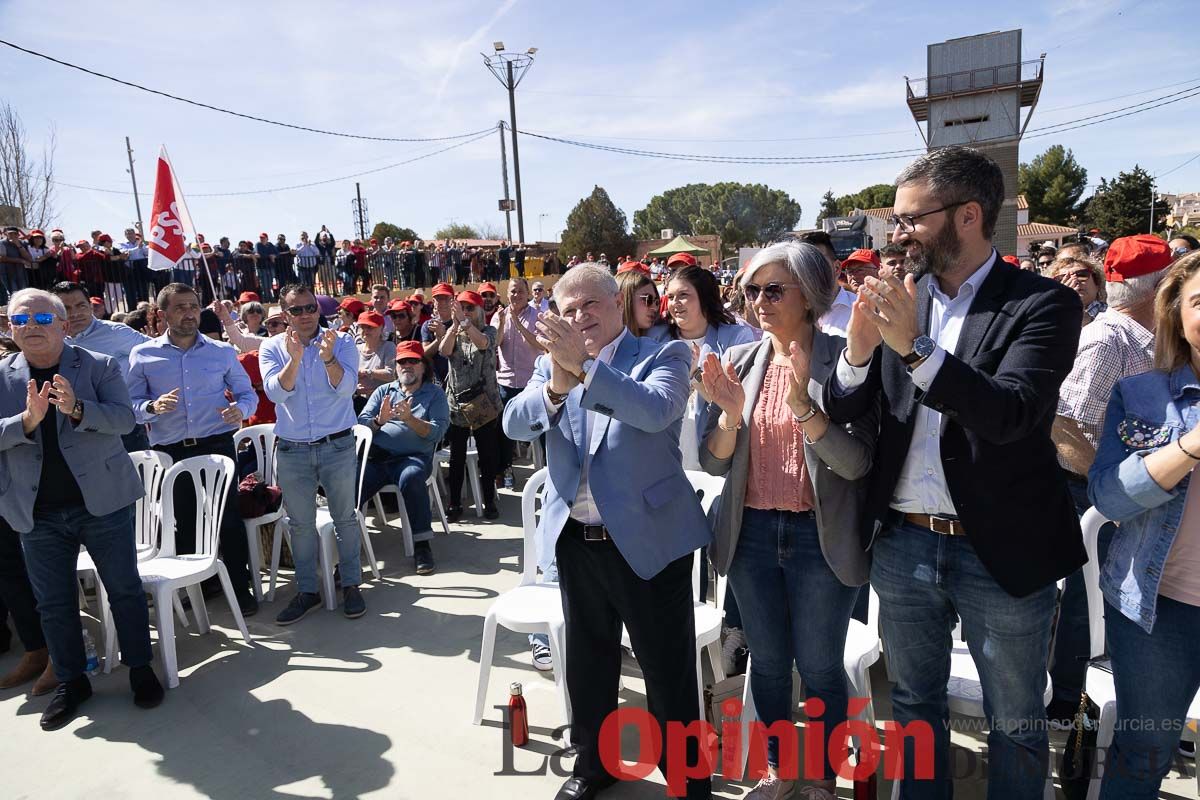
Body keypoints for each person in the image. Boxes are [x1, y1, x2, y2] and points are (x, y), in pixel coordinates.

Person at [824, 145, 1086, 797]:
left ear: (968, 216)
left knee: (1016, 721)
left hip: (1001, 550)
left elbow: (1012, 413)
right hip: (905, 544)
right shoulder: (899, 294)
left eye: (912, 218)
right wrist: (857, 354)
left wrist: (912, 347)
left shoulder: (1043, 304)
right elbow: (849, 405)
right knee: (913, 708)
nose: (898, 233)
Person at [502, 263, 712, 800]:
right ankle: (594, 766)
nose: (579, 317)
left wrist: (588, 369)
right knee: (589, 667)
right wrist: (555, 382)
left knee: (667, 675)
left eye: (590, 305)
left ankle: (688, 782)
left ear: (617, 304)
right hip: (578, 542)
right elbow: (513, 423)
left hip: (648, 545)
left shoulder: (662, 353)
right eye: (567, 310)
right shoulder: (553, 368)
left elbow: (655, 410)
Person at [700, 241, 877, 799]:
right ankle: (778, 768)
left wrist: (805, 406)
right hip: (752, 534)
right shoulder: (744, 363)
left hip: (817, 539)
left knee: (821, 665)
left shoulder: (844, 359)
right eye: (752, 291)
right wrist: (730, 415)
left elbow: (856, 462)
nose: (758, 302)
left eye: (773, 289)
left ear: (810, 294)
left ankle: (822, 776)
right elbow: (712, 460)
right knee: (771, 664)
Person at [0, 288, 163, 729]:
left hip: (103, 505)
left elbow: (125, 420)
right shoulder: (2, 376)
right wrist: (26, 422)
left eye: (43, 319)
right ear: (9, 327)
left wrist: (77, 408)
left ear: (65, 325)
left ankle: (140, 669)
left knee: (124, 590)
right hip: (36, 513)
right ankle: (72, 681)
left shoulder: (99, 365)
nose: (31, 327)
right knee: (53, 603)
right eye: (21, 320)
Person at [1048, 235, 1170, 726]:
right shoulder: (1107, 339)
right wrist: (1113, 486)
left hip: (1138, 491)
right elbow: (1064, 420)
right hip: (1096, 493)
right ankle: (1069, 704)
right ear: (1157, 288)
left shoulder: (1151, 336)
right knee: (1088, 598)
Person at [126, 283, 259, 615]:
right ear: (164, 313)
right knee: (183, 521)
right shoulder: (143, 355)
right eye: (181, 307)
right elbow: (130, 405)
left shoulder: (222, 352)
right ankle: (198, 588)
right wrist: (152, 408)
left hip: (215, 445)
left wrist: (240, 411)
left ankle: (240, 589)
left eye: (194, 306)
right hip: (171, 450)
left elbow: (248, 395)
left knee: (227, 519)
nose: (189, 313)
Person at [260, 285, 366, 623]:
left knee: (345, 518)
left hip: (337, 444)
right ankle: (307, 590)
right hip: (292, 450)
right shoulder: (272, 347)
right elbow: (276, 393)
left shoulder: (342, 342)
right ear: (285, 314)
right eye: (297, 310)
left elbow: (347, 388)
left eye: (310, 308)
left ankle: (350, 583)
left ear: (318, 310)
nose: (305, 315)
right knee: (301, 525)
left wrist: (328, 358)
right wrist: (295, 359)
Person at [654, 264, 758, 471]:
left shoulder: (737, 337)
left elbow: (737, 404)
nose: (675, 303)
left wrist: (696, 375)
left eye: (683, 295)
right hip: (664, 460)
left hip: (715, 457)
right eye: (671, 296)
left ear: (704, 297)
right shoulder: (656, 339)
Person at [358, 341, 450, 575]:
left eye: (413, 361)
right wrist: (379, 421)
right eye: (402, 362)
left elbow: (438, 432)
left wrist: (410, 420)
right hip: (378, 458)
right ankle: (349, 549)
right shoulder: (384, 391)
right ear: (396, 366)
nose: (407, 366)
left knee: (411, 477)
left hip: (413, 457)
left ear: (423, 366)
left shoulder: (435, 393)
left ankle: (422, 545)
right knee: (352, 485)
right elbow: (360, 424)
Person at [51, 281, 152, 450]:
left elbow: (156, 354)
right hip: (77, 428)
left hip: (122, 423)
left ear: (90, 306)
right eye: (66, 308)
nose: (75, 313)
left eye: (80, 305)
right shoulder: (52, 340)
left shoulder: (117, 333)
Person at [438, 290, 502, 521]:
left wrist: (465, 324)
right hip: (457, 404)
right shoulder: (454, 332)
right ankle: (455, 503)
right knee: (457, 458)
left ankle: (489, 501)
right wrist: (454, 327)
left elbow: (484, 344)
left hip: (483, 404)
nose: (464, 312)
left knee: (487, 456)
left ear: (479, 311)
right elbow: (444, 351)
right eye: (461, 308)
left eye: (469, 308)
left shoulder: (488, 331)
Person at [494, 278, 542, 489]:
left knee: (541, 431)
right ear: (507, 294)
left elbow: (539, 343)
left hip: (530, 382)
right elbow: (494, 343)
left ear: (528, 294)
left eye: (521, 291)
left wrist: (519, 324)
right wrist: (504, 321)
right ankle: (506, 470)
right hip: (505, 382)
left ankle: (547, 471)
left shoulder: (536, 316)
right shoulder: (499, 316)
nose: (516, 295)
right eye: (513, 292)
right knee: (505, 432)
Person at [354, 311, 396, 415]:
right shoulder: (355, 349)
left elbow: (392, 374)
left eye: (370, 327)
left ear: (381, 328)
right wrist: (356, 390)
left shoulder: (389, 347)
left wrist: (368, 372)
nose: (365, 330)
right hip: (357, 402)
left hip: (382, 404)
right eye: (362, 327)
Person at [1051, 256, 1107, 327]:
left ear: (1097, 283)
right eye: (1063, 279)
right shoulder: (1049, 317)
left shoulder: (1112, 313)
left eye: (1082, 275)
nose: (1074, 281)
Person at [420, 282, 457, 386]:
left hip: (458, 378)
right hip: (437, 381)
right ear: (433, 302)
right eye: (439, 298)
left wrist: (443, 335)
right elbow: (425, 353)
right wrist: (439, 339)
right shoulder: (428, 325)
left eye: (446, 298)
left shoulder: (459, 322)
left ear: (453, 300)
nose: (443, 302)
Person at [617, 270, 660, 337]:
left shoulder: (661, 338)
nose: (655, 308)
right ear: (622, 299)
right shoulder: (598, 344)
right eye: (648, 299)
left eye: (657, 302)